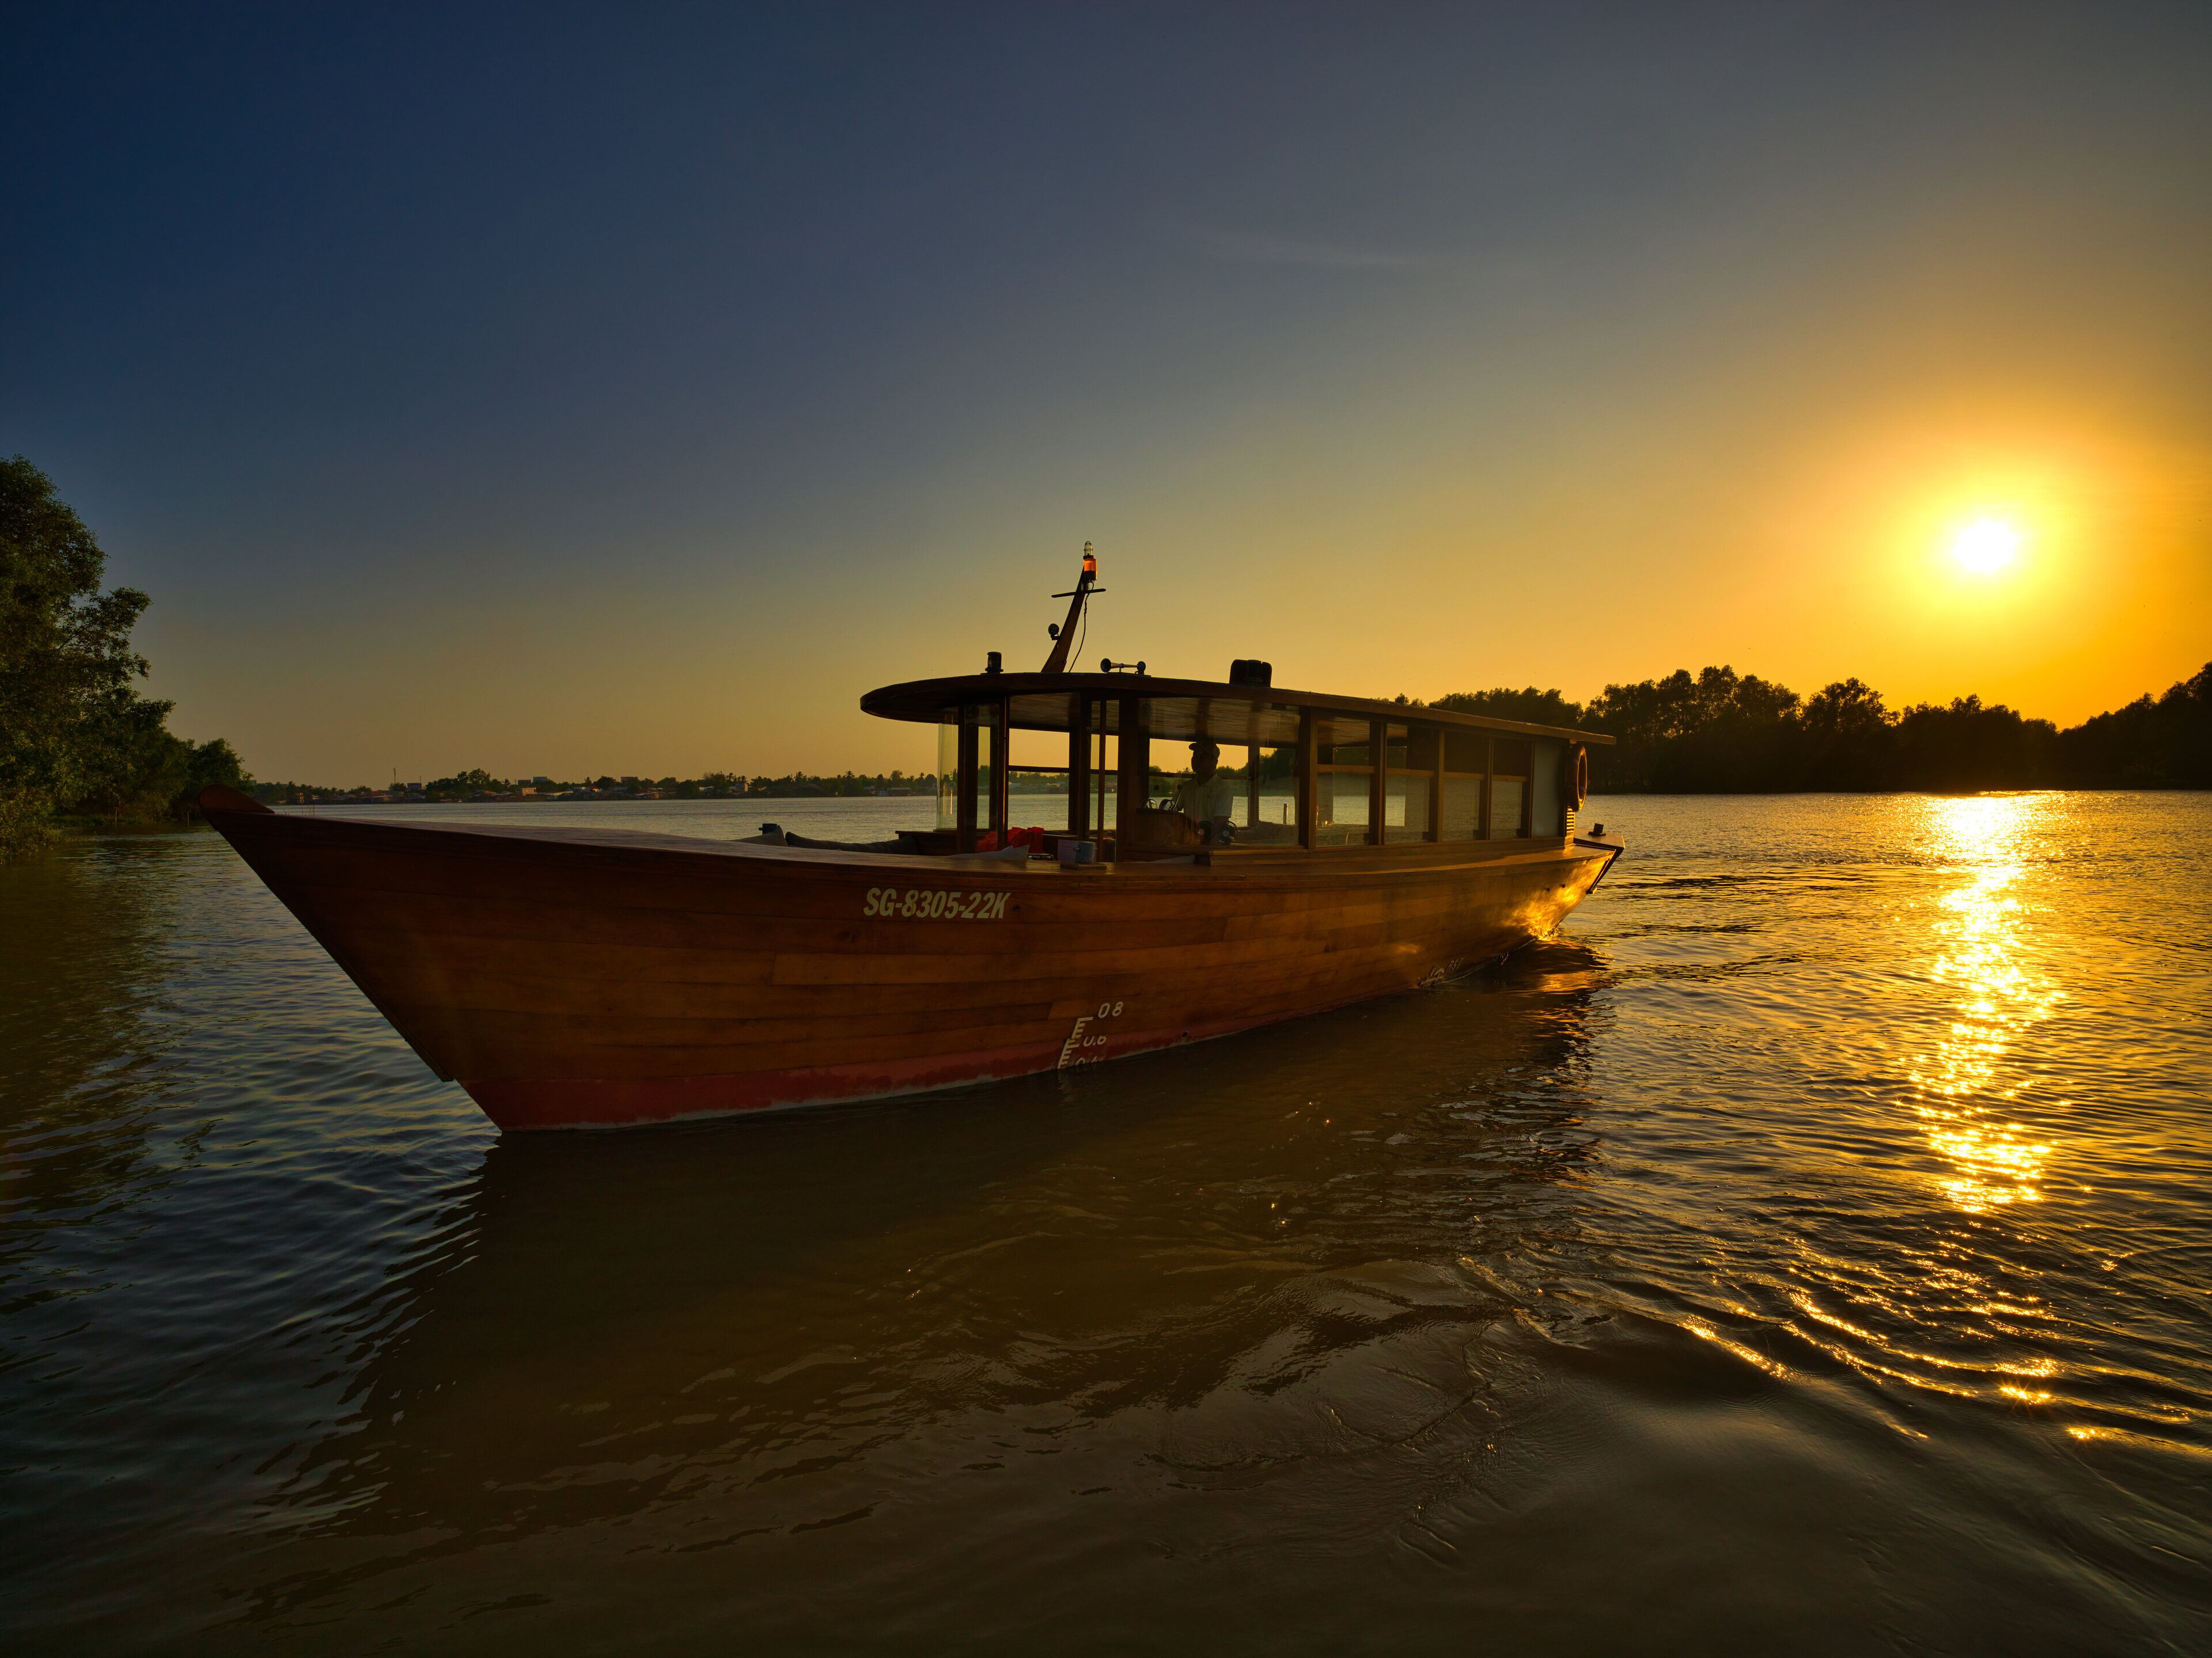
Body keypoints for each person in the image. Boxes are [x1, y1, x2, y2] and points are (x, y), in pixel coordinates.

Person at [1173, 741, 1237, 841]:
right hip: (1187, 843)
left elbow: (1219, 826)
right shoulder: (1186, 787)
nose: (1197, 759)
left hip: (1210, 845)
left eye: (1203, 756)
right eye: (1195, 755)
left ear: (1215, 762)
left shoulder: (1223, 789)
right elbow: (1171, 813)